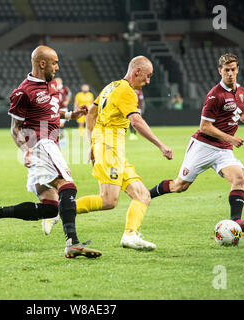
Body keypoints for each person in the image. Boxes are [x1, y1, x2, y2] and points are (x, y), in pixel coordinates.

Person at [0, 45, 102, 259]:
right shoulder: (23, 92)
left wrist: (72, 115)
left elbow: (50, 112)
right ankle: (72, 242)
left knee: (50, 208)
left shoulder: (49, 85)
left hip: (48, 142)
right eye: (54, 63)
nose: (58, 67)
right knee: (67, 186)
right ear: (42, 63)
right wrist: (25, 150)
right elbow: (14, 128)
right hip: (40, 144)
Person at [43, 56, 174, 250]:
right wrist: (161, 145)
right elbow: (136, 122)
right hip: (110, 148)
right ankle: (59, 211)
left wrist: (92, 144)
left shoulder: (111, 86)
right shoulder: (127, 91)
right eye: (147, 76)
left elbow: (92, 114)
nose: (148, 81)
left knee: (143, 195)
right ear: (137, 71)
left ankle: (129, 235)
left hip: (111, 148)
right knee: (109, 200)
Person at [148, 53, 244, 232]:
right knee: (179, 186)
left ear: (238, 69)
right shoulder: (214, 96)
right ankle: (145, 195)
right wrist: (231, 138)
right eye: (226, 70)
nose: (230, 73)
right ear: (220, 71)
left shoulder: (242, 92)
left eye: (233, 69)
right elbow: (204, 127)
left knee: (239, 178)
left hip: (223, 149)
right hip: (203, 146)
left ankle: (236, 221)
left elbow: (242, 112)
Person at [55, 77, 72, 147]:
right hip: (55, 108)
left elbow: (69, 94)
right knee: (55, 124)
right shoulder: (53, 88)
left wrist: (67, 101)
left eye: (58, 80)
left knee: (61, 124)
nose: (57, 81)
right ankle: (56, 139)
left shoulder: (65, 88)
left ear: (61, 81)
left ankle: (62, 139)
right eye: (56, 80)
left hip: (63, 108)